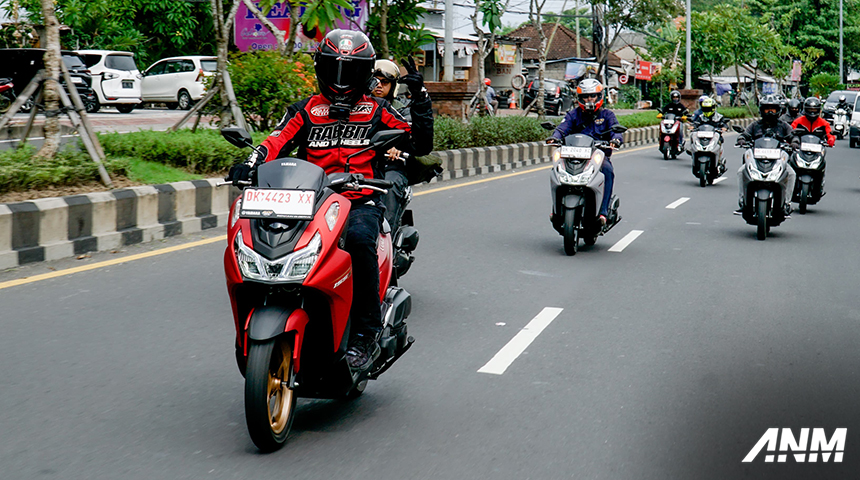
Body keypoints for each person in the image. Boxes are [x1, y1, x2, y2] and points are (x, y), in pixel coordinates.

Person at [226, 30, 434, 371]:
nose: (341, 80)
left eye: (350, 71)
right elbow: (275, 142)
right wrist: (250, 164)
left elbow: (419, 144)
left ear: (364, 73)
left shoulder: (378, 110)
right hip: (307, 202)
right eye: (334, 69)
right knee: (260, 240)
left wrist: (420, 97)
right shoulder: (306, 110)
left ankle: (365, 335)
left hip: (359, 201)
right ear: (321, 69)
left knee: (360, 241)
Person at [546, 78, 622, 227]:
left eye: (593, 96)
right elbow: (562, 128)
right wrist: (555, 137)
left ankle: (603, 213)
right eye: (586, 96)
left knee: (607, 171)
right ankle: (556, 211)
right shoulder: (573, 115)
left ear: (599, 96)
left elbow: (616, 130)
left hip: (597, 156)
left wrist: (616, 140)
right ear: (580, 98)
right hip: (573, 155)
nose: (589, 99)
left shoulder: (607, 115)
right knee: (556, 171)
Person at [735, 94, 796, 216]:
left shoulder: (783, 126)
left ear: (778, 110)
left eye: (772, 109)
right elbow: (745, 134)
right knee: (741, 171)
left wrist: (795, 142)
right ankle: (743, 201)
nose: (770, 112)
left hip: (777, 161)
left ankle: (787, 204)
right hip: (757, 160)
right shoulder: (755, 125)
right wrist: (741, 139)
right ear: (761, 110)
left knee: (791, 173)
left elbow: (792, 136)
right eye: (767, 109)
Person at [791, 97, 834, 196]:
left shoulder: (823, 123)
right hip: (801, 150)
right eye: (810, 110)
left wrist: (830, 140)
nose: (812, 112)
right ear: (805, 110)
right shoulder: (798, 121)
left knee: (822, 162)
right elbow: (791, 132)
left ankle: (819, 184)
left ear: (819, 111)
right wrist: (792, 141)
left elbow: (829, 134)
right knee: (791, 161)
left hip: (817, 151)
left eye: (814, 110)